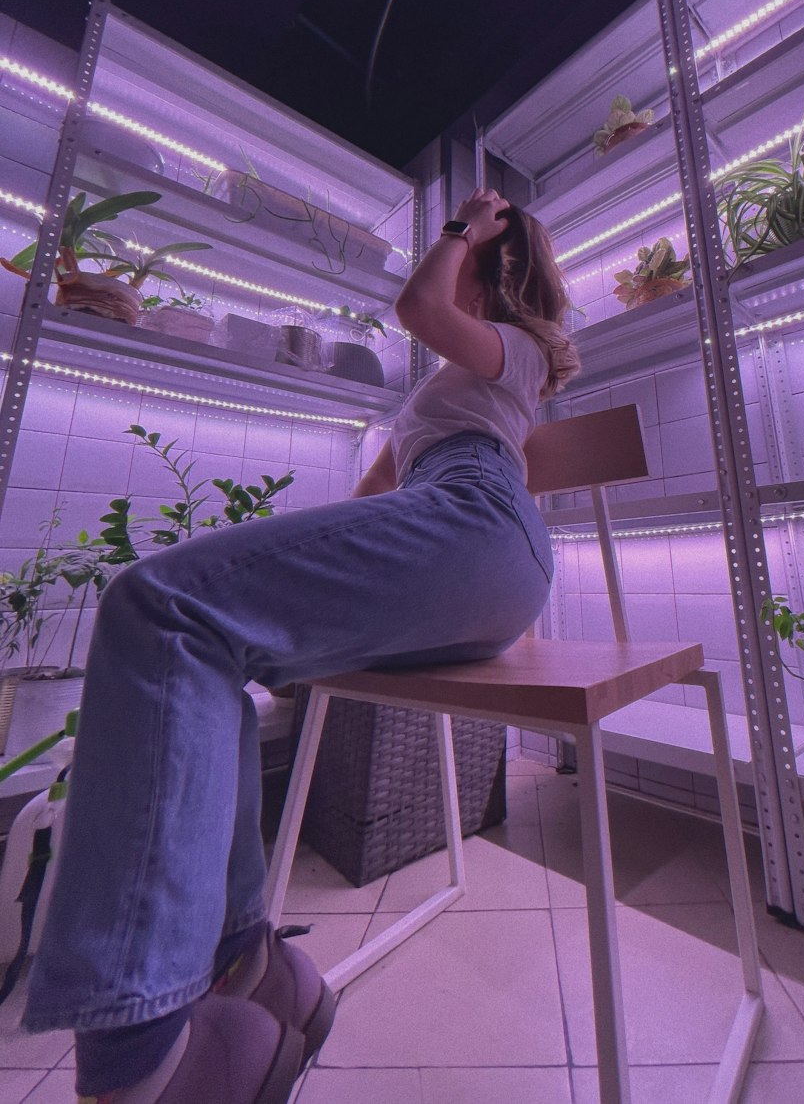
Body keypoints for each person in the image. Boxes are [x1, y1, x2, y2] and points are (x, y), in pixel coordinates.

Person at [22, 188, 580, 1103]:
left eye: (476, 242)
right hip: (457, 535)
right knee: (206, 636)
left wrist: (461, 226)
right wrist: (272, 587)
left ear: (495, 261)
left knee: (155, 608)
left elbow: (418, 307)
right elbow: (370, 495)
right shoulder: (442, 394)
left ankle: (145, 1056)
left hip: (478, 525)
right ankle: (249, 970)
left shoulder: (512, 352)